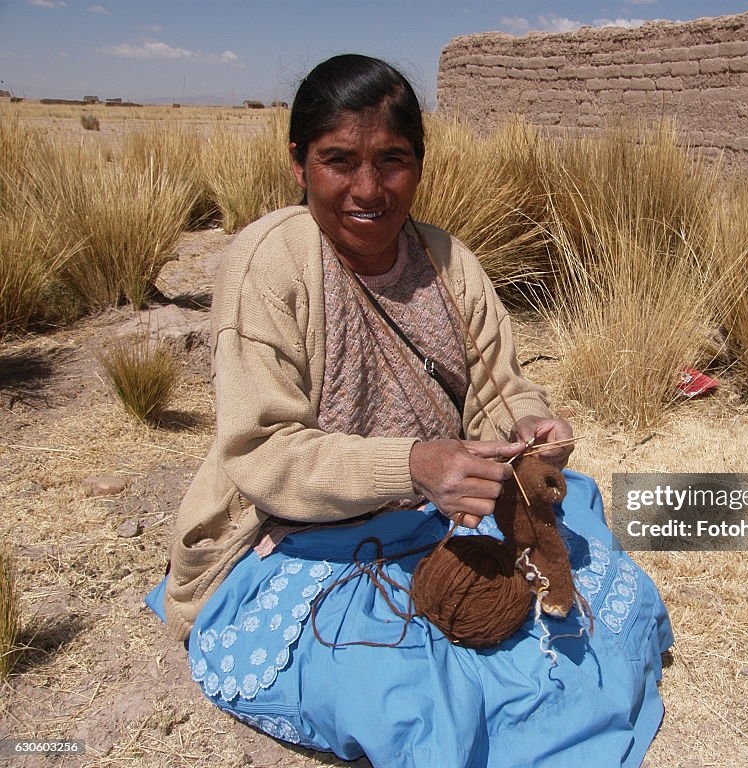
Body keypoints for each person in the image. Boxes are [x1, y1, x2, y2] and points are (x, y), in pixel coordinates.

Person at [150, 53, 673, 768]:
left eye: (391, 160)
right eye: (339, 161)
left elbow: (498, 387)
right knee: (411, 698)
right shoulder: (270, 264)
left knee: (604, 596)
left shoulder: (447, 261)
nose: (368, 189)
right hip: (298, 539)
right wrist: (413, 465)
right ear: (299, 163)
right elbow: (262, 452)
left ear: (419, 165)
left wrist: (527, 428)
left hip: (443, 512)